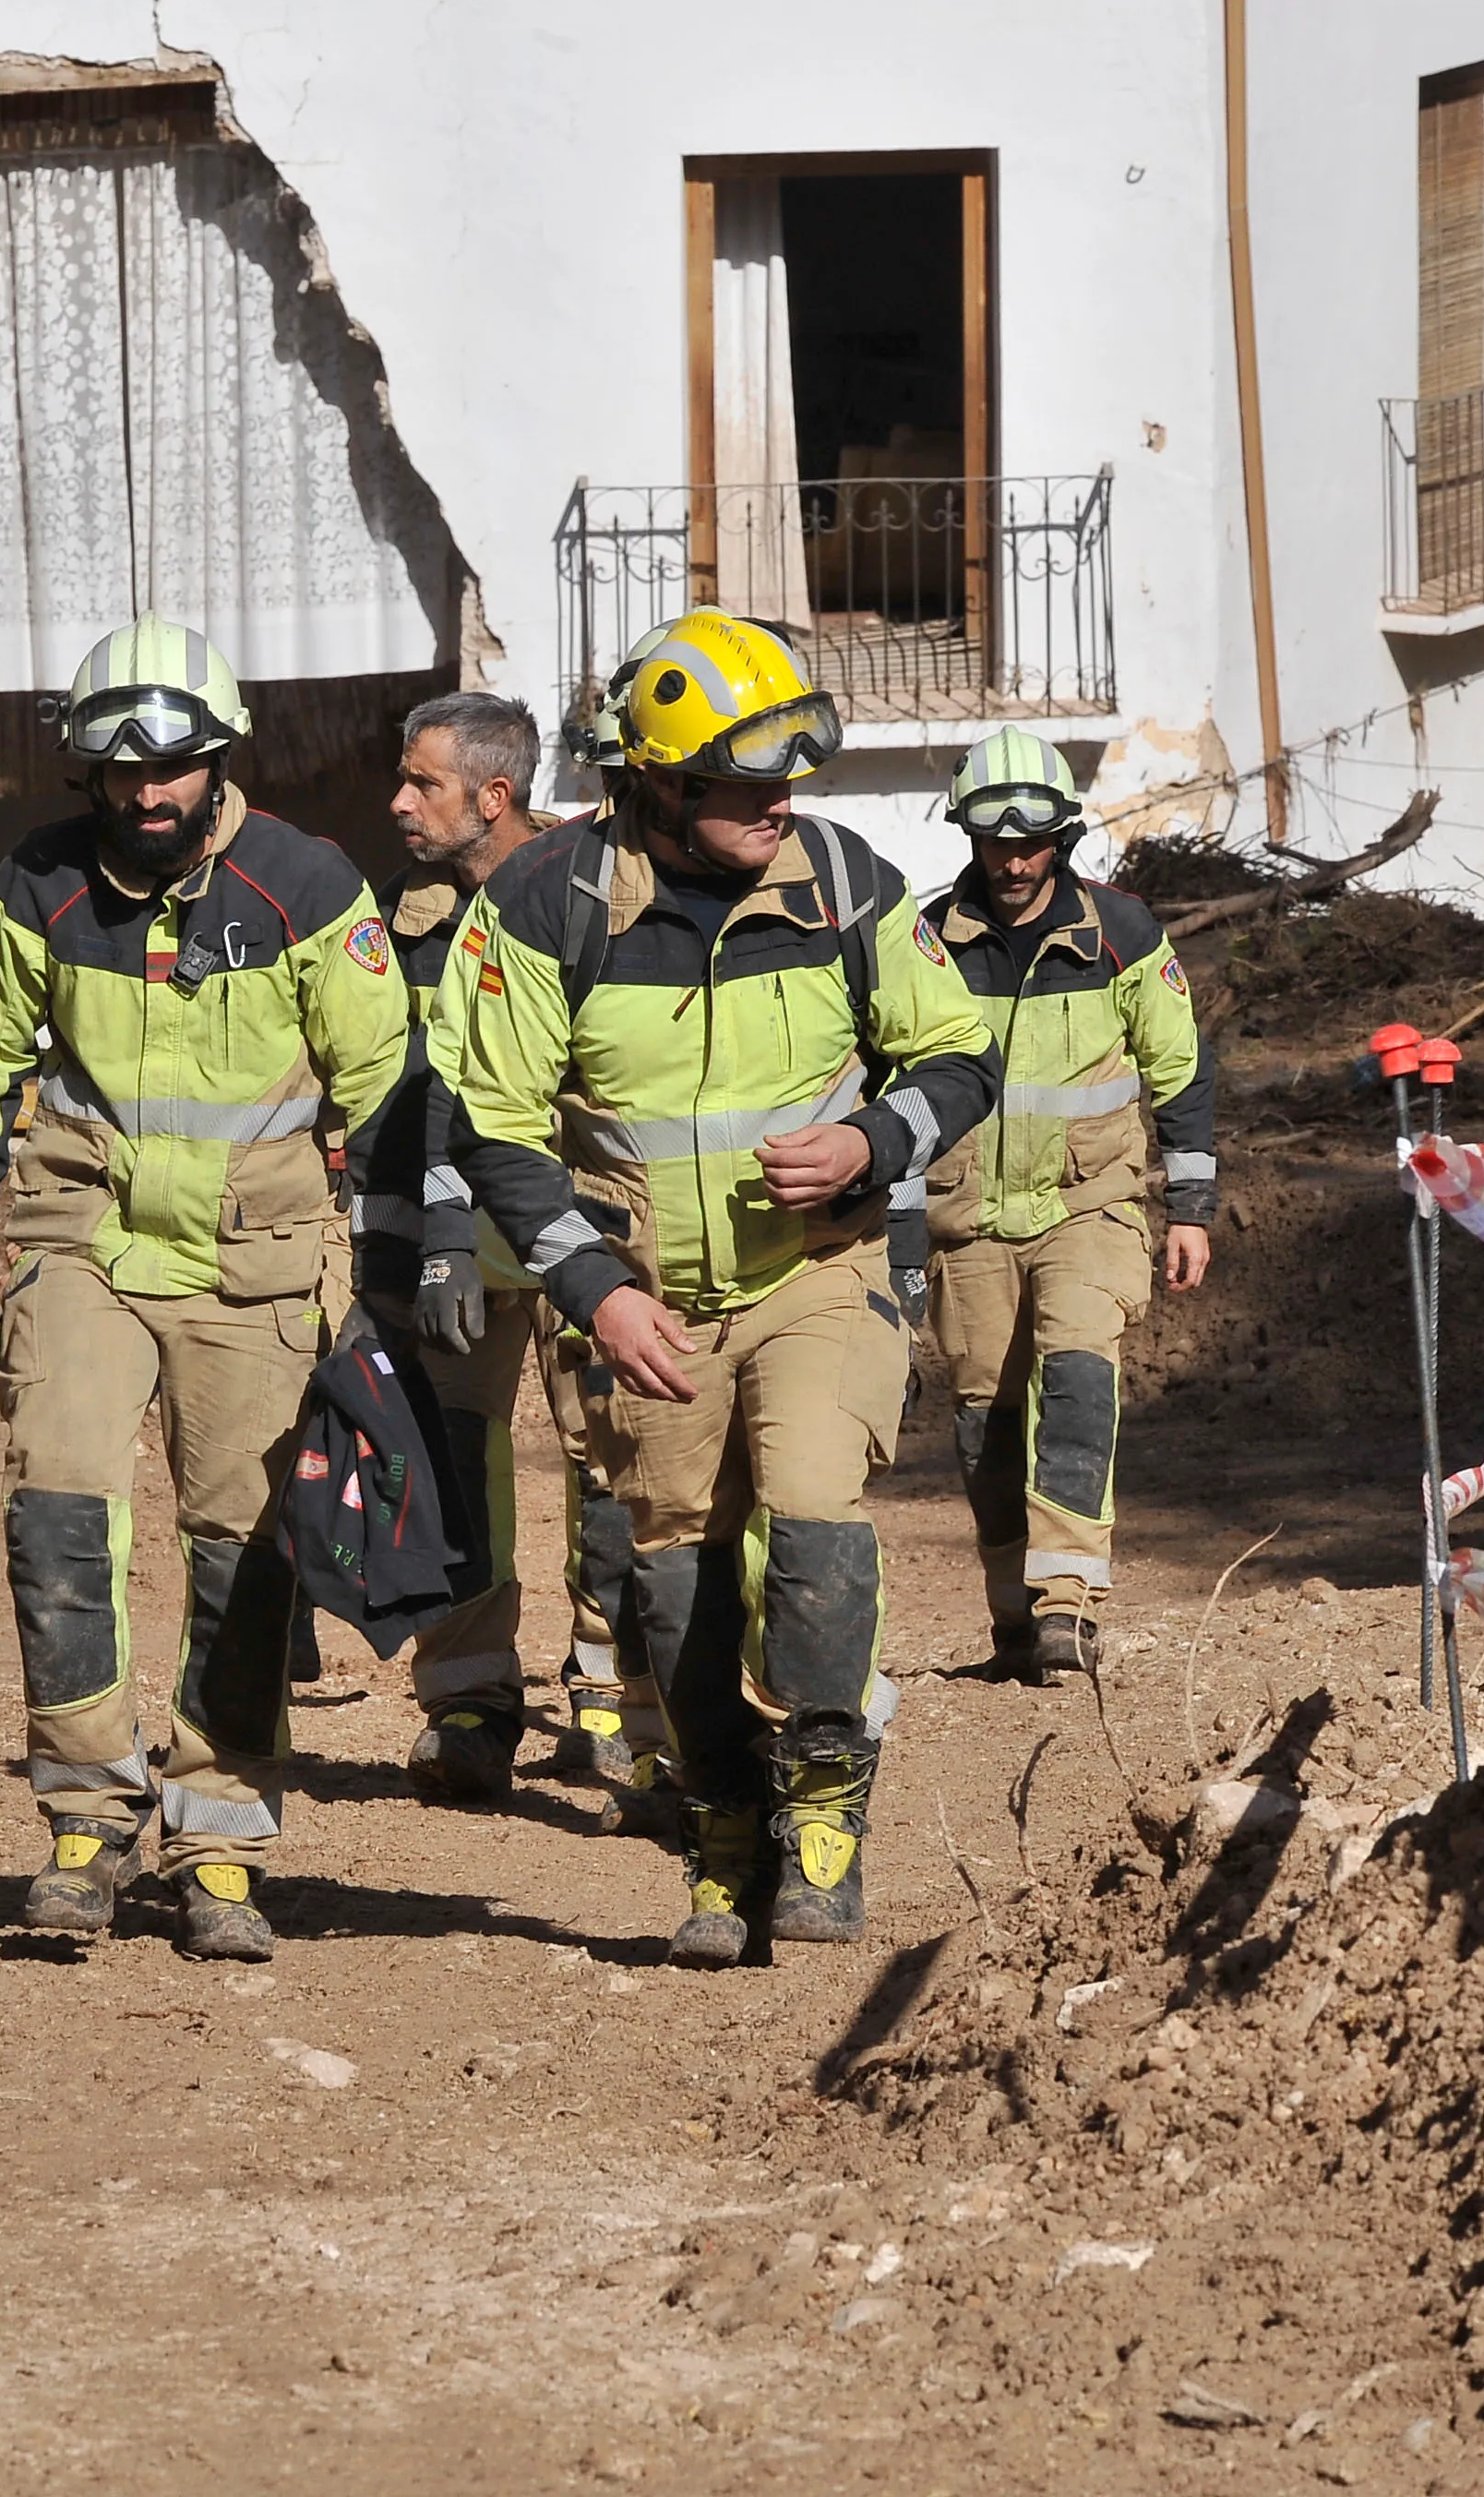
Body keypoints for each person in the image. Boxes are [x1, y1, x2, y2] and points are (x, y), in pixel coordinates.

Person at [450, 609, 997, 1965]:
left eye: (786, 777)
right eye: (745, 783)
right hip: (640, 1301)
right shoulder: (540, 905)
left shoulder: (843, 882)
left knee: (810, 1515)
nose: (779, 804)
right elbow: (489, 1117)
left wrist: (872, 1142)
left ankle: (823, 1809)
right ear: (656, 782)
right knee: (675, 1576)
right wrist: (591, 1288)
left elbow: (959, 1061)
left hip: (820, 1274)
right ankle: (723, 1840)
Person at [0, 615, 414, 1963]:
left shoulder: (305, 886)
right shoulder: (33, 884)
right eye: (119, 773)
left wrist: (402, 1278)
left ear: (216, 758)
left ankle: (219, 1843)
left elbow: (379, 1092)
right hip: (81, 1240)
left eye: (173, 769)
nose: (146, 796)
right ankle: (83, 1820)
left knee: (240, 1553)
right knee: (58, 1513)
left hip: (254, 1266)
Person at [381, 689, 655, 1808]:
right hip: (459, 1237)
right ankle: (468, 1703)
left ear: (494, 798)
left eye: (422, 784)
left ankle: (609, 1693)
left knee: (613, 1459)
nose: (397, 803)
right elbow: (415, 1088)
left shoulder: (595, 894)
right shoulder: (401, 920)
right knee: (451, 1457)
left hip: (587, 1221)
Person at [916, 726, 1214, 1682]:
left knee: (1078, 1381)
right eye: (993, 838)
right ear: (966, 834)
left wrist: (1193, 1205)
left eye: (1032, 838)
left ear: (1062, 836)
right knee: (982, 1425)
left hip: (1091, 1206)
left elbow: (1180, 1075)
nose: (1012, 857)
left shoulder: (1122, 936)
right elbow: (885, 1085)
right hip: (962, 1221)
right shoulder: (923, 944)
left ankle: (1066, 1602)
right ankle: (1012, 1610)